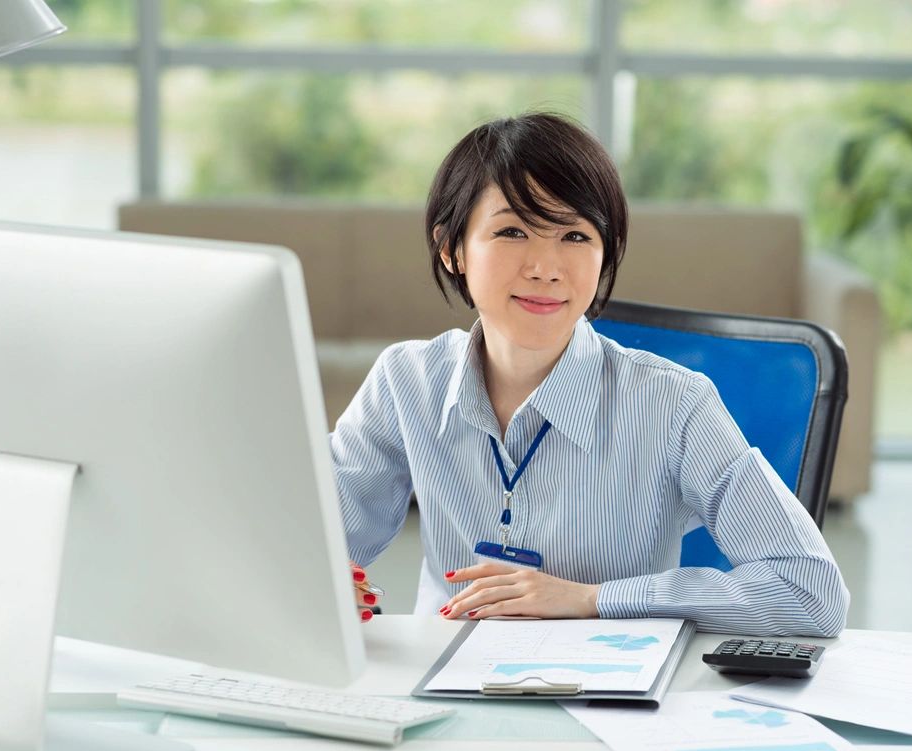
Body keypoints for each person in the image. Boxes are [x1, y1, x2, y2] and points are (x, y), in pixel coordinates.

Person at [332, 112, 849, 636]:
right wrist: (321, 580)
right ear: (452, 248)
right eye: (512, 231)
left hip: (606, 691)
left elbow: (811, 592)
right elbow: (313, 541)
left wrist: (592, 599)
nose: (545, 266)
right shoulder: (406, 382)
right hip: (441, 676)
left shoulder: (675, 403)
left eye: (575, 236)